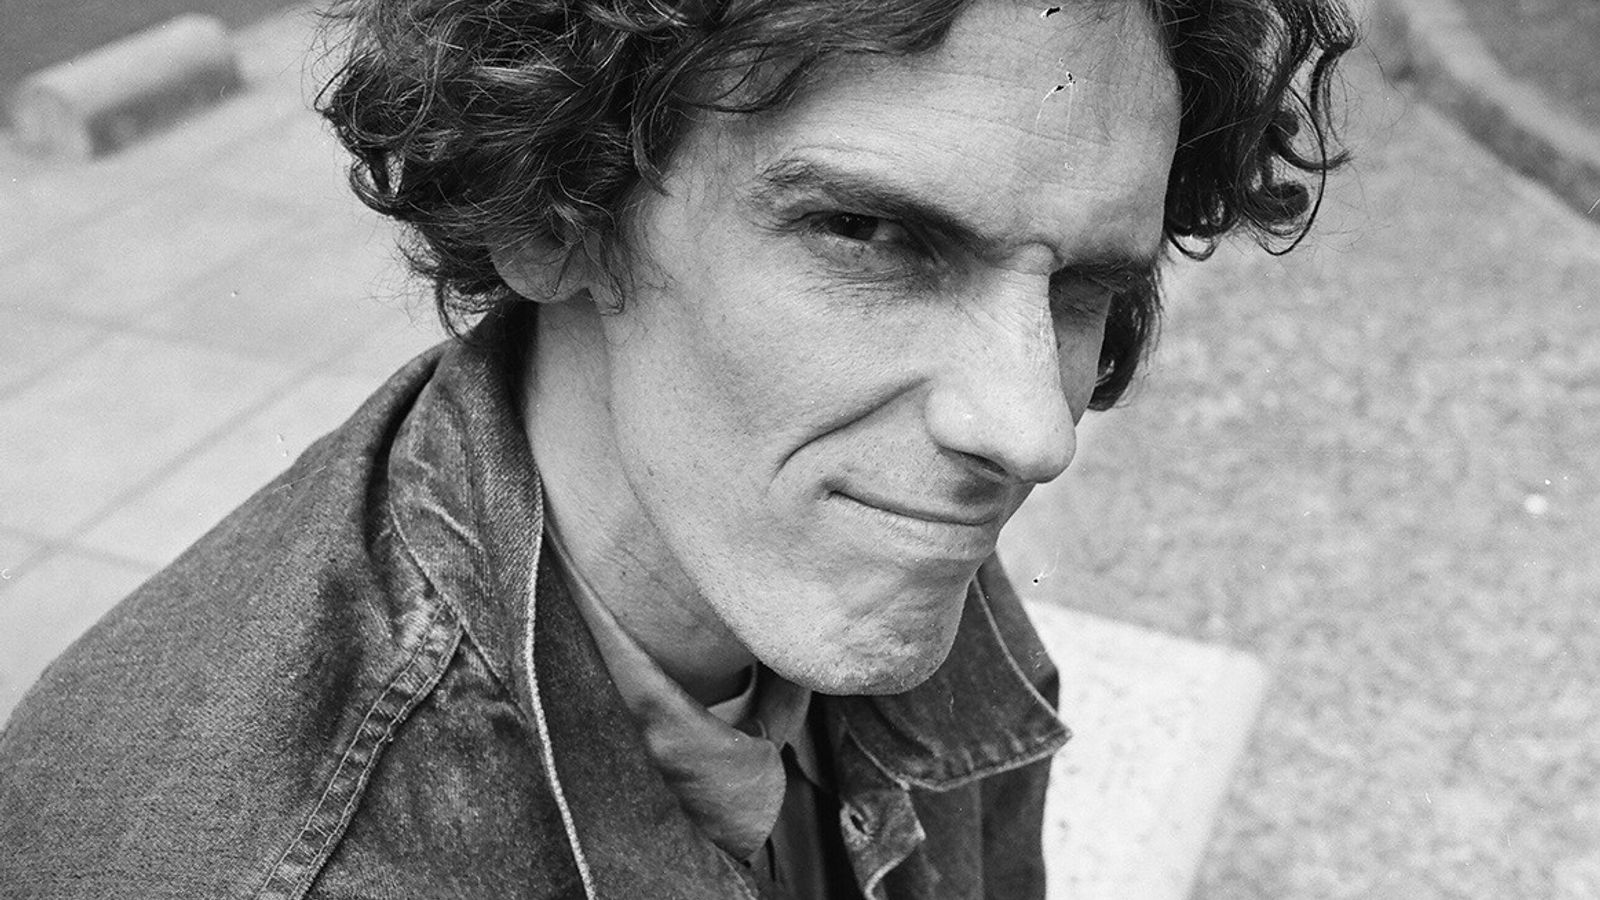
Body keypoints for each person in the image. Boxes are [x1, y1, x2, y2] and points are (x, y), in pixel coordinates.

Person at [0, 0, 1353, 896]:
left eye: (1083, 285)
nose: (1029, 428)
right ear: (553, 213)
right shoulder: (231, 857)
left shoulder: (852, 523)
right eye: (872, 236)